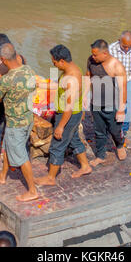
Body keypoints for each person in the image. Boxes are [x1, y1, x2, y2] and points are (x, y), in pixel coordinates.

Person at [34, 45, 92, 186]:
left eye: (54, 62)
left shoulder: (72, 78)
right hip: (72, 114)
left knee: (57, 145)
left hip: (68, 115)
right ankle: (85, 166)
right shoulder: (70, 69)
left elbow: (68, 107)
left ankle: (50, 178)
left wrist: (60, 126)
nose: (53, 64)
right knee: (74, 140)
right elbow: (59, 86)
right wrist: (41, 85)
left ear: (61, 61)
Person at [0, 43, 38, 202]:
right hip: (28, 118)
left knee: (21, 156)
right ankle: (3, 176)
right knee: (7, 146)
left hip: (15, 123)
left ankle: (32, 190)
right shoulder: (28, 70)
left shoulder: (7, 79)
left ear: (3, 59)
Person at [0, 34, 26, 167]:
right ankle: (20, 160)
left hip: (4, 103)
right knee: (17, 134)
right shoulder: (21, 59)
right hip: (20, 102)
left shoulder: (1, 66)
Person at [86, 39, 127, 167]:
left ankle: (120, 145)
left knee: (115, 130)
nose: (93, 57)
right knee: (99, 131)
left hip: (111, 104)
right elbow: (88, 77)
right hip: (96, 103)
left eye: (95, 55)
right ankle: (100, 156)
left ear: (105, 53)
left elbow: (123, 88)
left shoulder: (116, 66)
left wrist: (121, 110)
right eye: (92, 54)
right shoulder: (91, 61)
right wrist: (85, 96)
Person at [109, 31, 131, 138]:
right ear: (119, 41)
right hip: (114, 79)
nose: (127, 49)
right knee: (115, 104)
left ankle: (124, 130)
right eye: (124, 46)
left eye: (129, 46)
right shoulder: (111, 49)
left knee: (128, 105)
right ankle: (112, 127)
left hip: (129, 79)